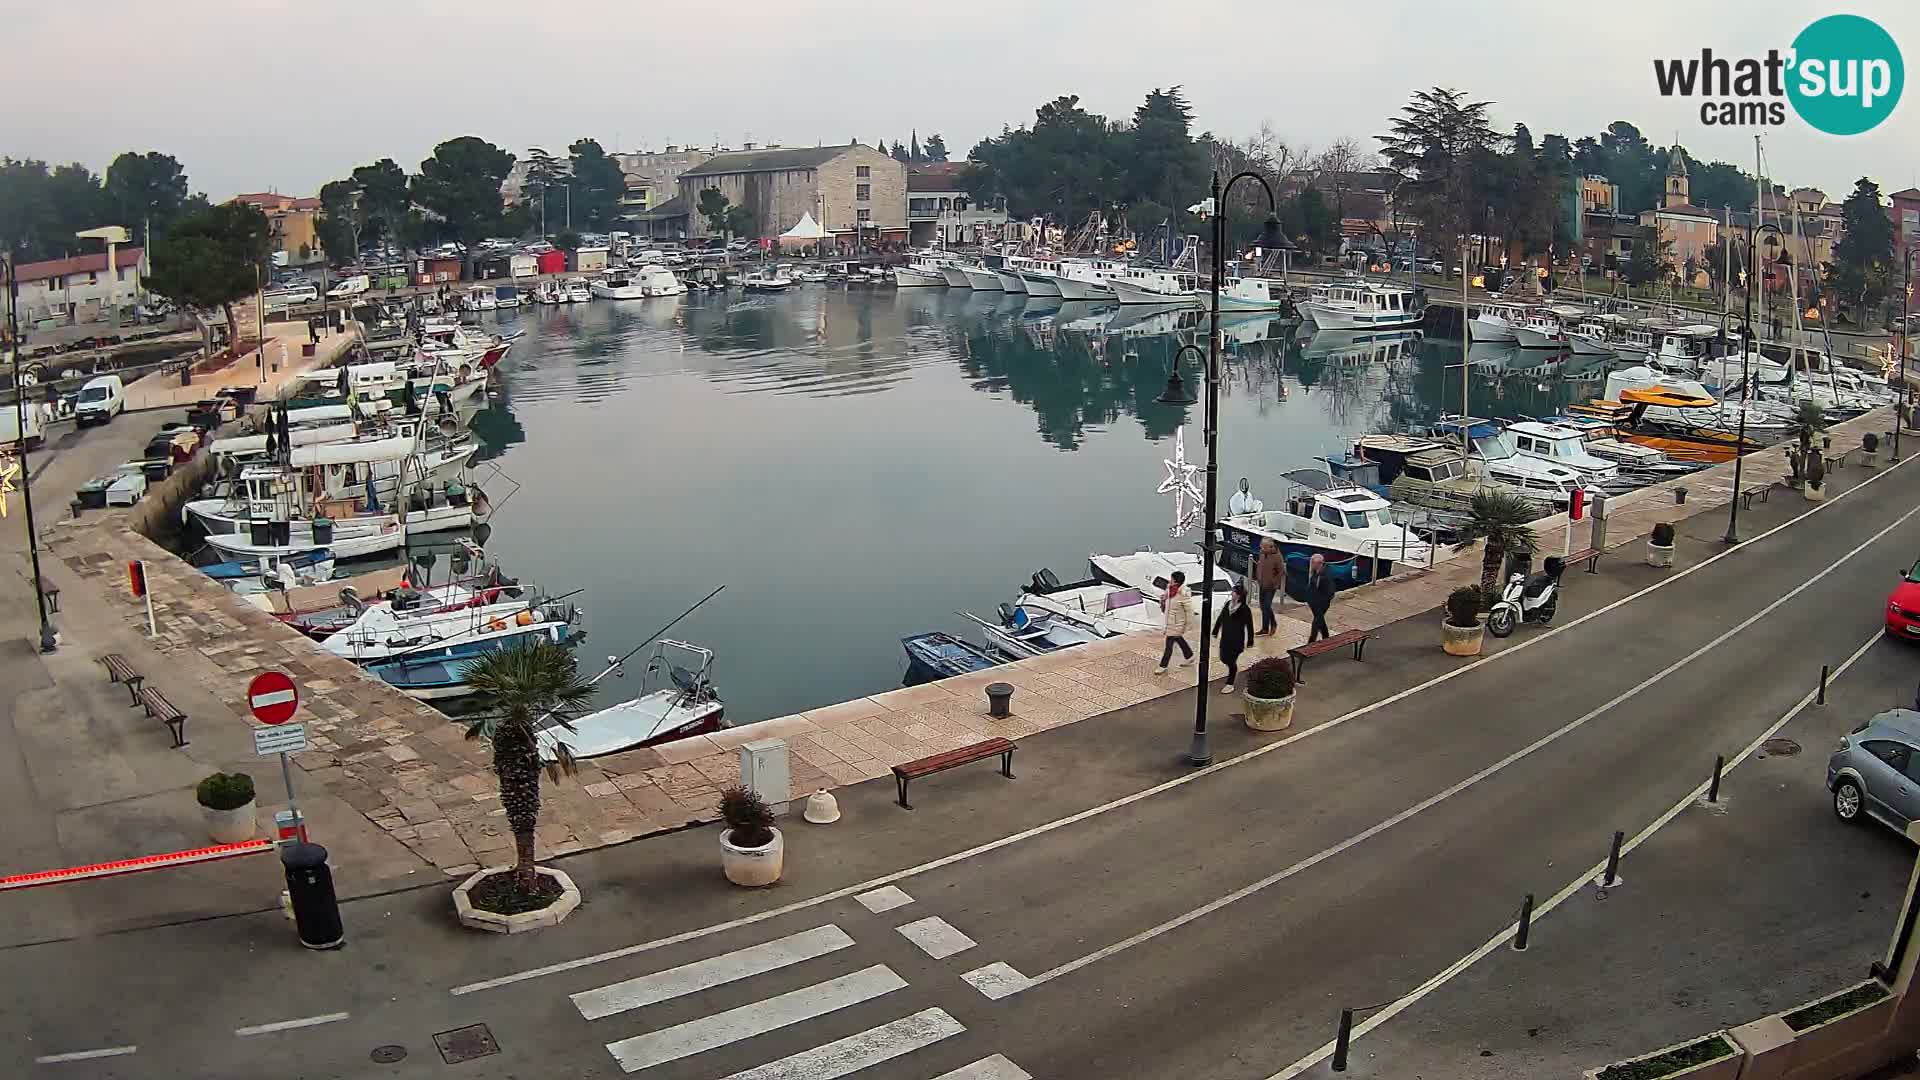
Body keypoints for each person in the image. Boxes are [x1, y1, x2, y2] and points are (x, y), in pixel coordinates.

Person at [1213, 583, 1255, 694]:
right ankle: (1233, 670)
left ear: (1239, 595)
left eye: (1234, 592)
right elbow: (1221, 618)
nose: (1232, 593)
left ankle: (1230, 683)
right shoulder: (1228, 604)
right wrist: (1215, 630)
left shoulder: (1245, 609)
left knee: (1231, 661)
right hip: (1226, 637)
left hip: (1236, 640)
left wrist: (1250, 640)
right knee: (1223, 657)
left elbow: (1249, 625)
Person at [1154, 570, 1195, 674]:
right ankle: (1189, 655)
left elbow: (1189, 611)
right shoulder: (1169, 589)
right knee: (1179, 639)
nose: (1170, 580)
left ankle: (1163, 665)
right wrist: (1163, 600)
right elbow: (1167, 605)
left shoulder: (1183, 594)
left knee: (1169, 645)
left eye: (1172, 579)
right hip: (1170, 621)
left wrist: (1187, 626)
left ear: (1176, 582)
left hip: (1177, 623)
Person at [1255, 538, 1285, 636]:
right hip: (1262, 584)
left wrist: (1274, 582)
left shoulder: (1277, 557)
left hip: (1271, 586)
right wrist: (1258, 577)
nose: (1261, 548)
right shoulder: (1262, 553)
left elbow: (1281, 572)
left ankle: (1272, 624)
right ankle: (1265, 628)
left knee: (1267, 606)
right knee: (1263, 606)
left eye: (1264, 546)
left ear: (1270, 547)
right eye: (1261, 546)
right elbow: (1260, 565)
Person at [1305, 553, 1336, 646]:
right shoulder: (1315, 573)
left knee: (1316, 622)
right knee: (1320, 621)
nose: (1311, 565)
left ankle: (1311, 642)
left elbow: (1330, 592)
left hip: (1321, 604)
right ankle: (1326, 637)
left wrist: (1321, 601)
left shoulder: (1324, 575)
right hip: (1314, 603)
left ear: (1318, 563)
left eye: (1312, 563)